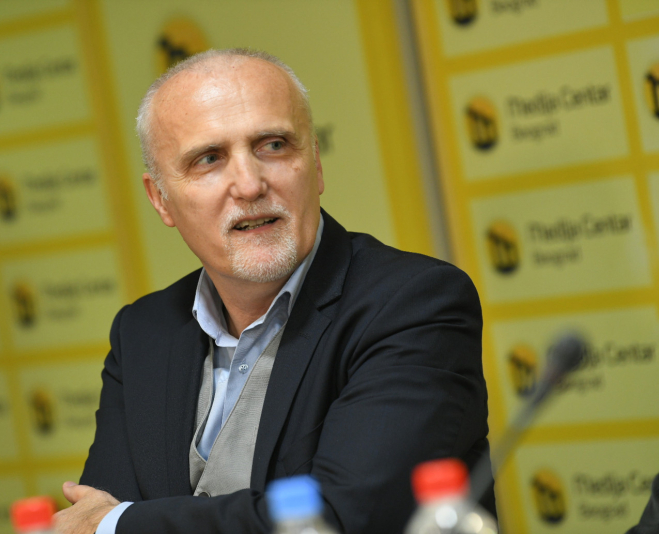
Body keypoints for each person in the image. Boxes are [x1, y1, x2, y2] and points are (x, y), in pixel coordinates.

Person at [53, 48, 494, 534]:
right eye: (209, 159)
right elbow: (89, 515)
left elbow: (346, 518)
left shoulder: (414, 303)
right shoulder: (143, 332)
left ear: (316, 165)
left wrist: (121, 524)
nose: (249, 184)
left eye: (274, 146)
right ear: (161, 199)